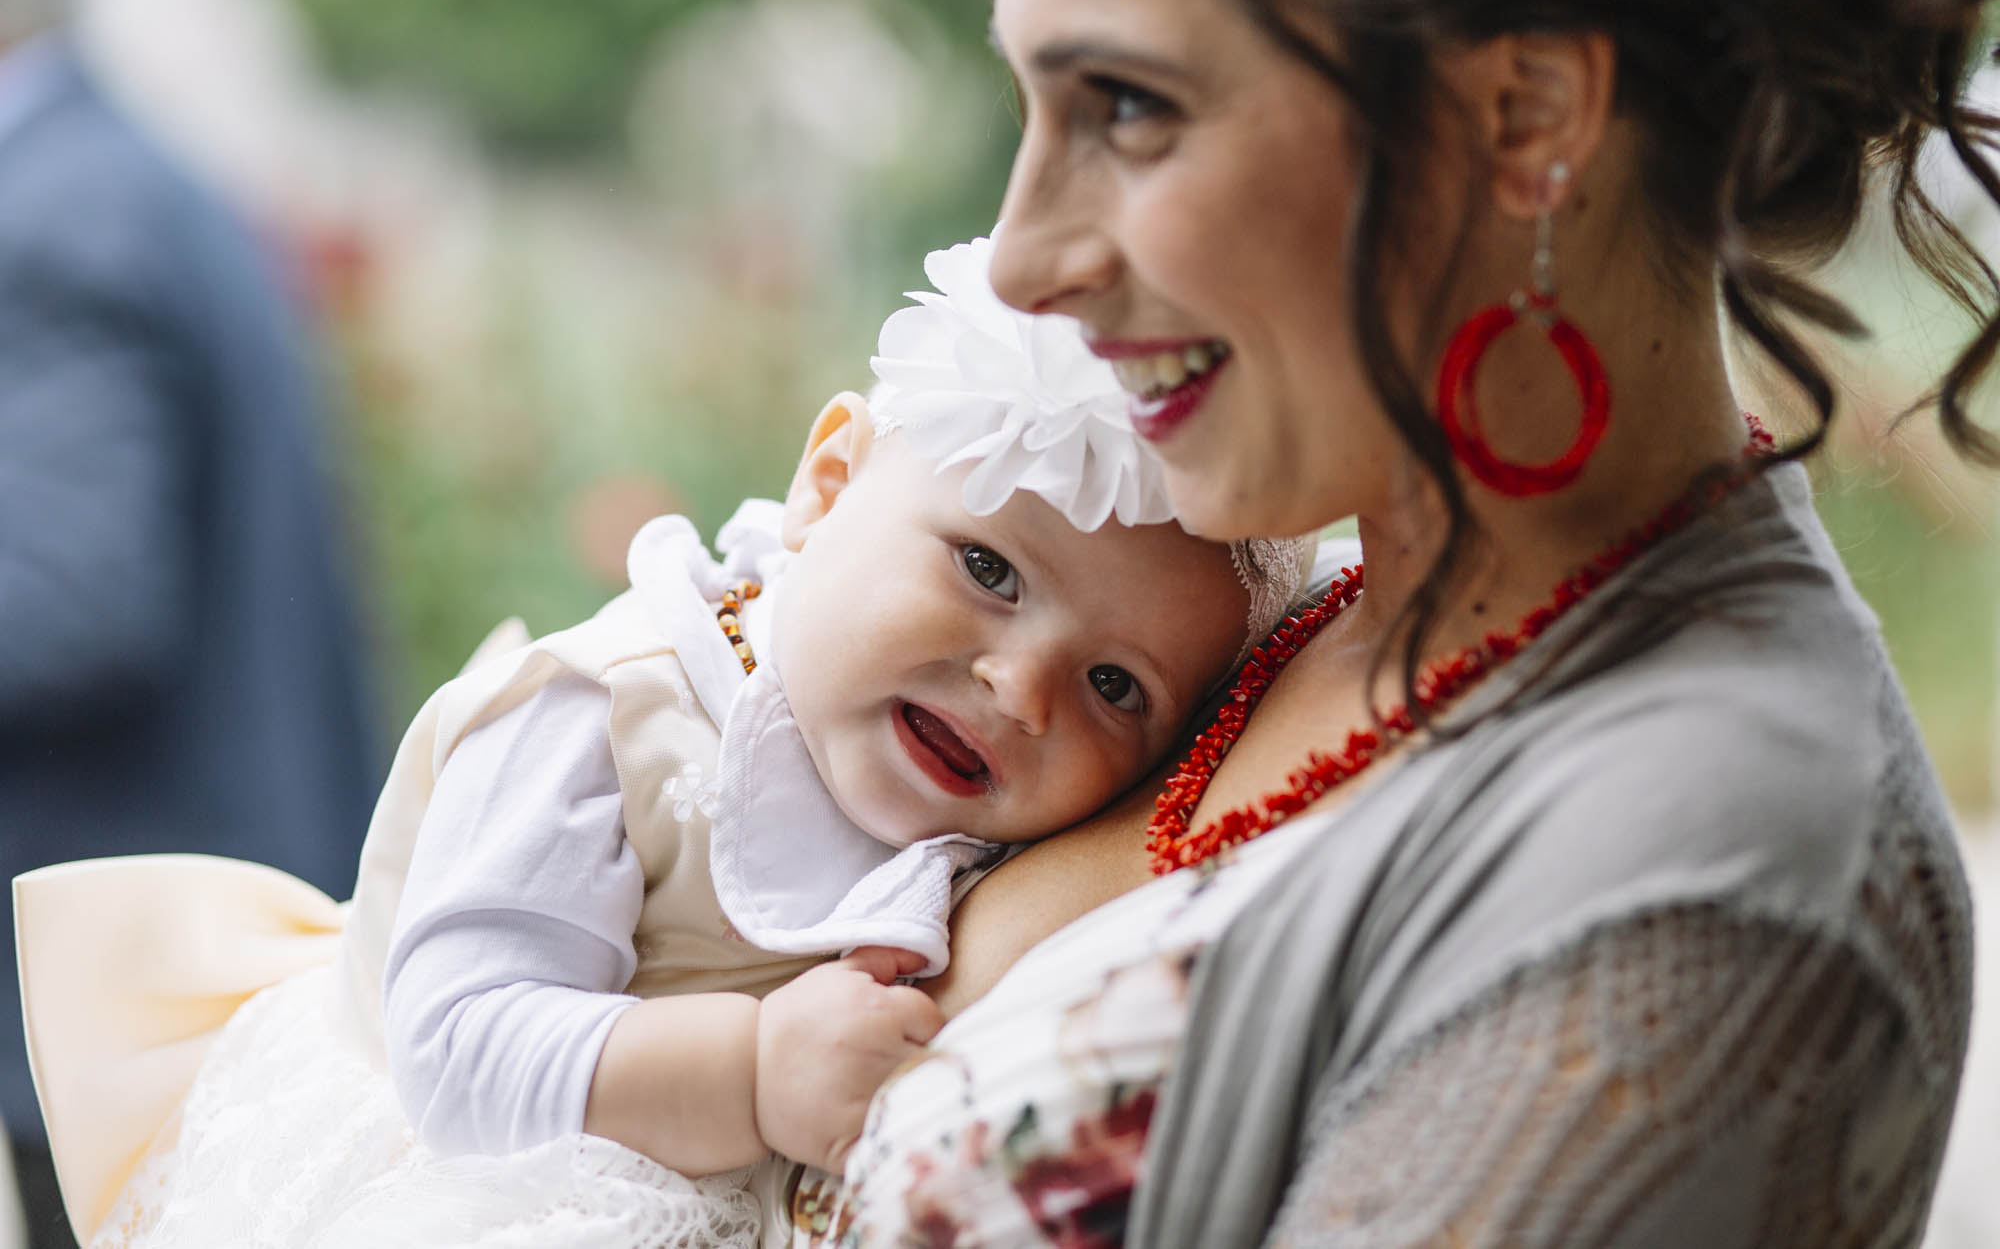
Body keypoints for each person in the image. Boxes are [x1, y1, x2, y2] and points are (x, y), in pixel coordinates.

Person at [778, 0, 1992, 1246]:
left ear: (1528, 114)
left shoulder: (1714, 895)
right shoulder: (1265, 614)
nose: (1022, 258)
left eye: (1126, 106)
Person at [14, 233, 1312, 1248]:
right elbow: (455, 1050)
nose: (1022, 689)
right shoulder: (612, 718)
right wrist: (752, 1071)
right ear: (828, 486)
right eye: (987, 567)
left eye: (1115, 685)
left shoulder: (1002, 817)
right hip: (478, 1182)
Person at [0, 0, 379, 1246]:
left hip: (128, 983)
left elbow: (66, 596)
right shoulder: (125, 176)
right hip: (208, 948)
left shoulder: (50, 217)